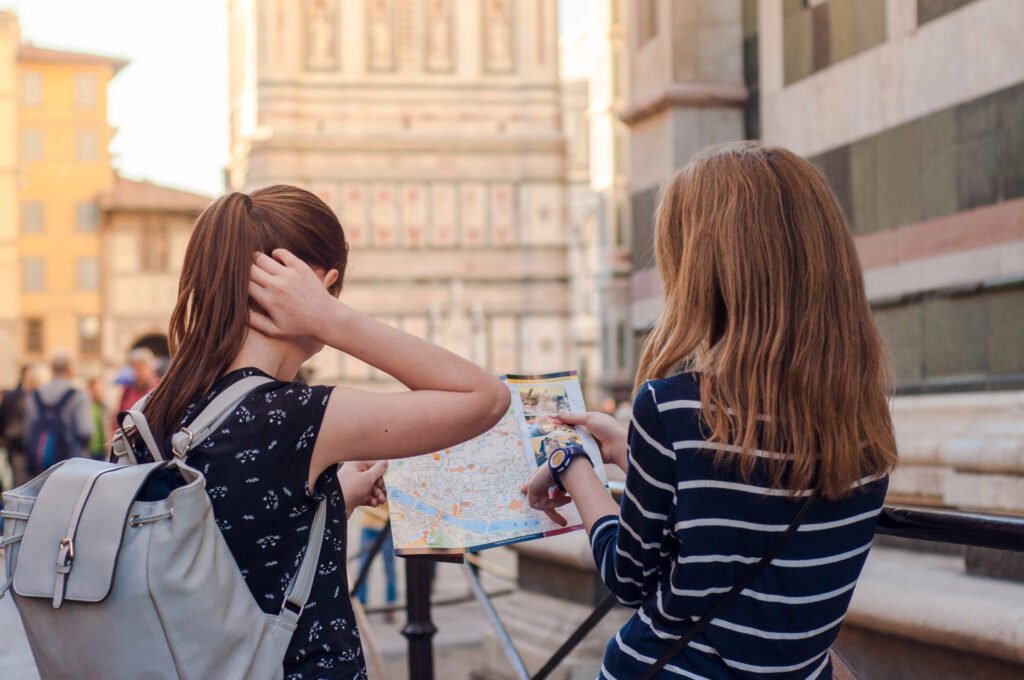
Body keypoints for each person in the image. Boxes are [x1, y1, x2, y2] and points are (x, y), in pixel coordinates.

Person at [524, 142, 897, 679]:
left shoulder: (672, 408)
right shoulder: (862, 421)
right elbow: (750, 509)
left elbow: (628, 577)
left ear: (704, 271)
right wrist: (633, 452)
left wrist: (571, 462)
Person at [131, 185, 509, 678]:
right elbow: (486, 397)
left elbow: (226, 538)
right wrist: (332, 319)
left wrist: (332, 499)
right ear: (319, 285)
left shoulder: (154, 410)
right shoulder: (296, 415)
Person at [24, 352, 93, 475]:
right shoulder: (78, 396)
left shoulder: (35, 395)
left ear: (52, 369)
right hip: (70, 466)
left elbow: (28, 433)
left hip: (40, 468)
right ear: (71, 369)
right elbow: (85, 432)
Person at [354, 504, 398, 622]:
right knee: (363, 568)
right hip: (369, 526)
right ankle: (361, 605)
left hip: (386, 527)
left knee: (389, 569)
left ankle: (390, 606)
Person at [0, 365, 39, 488]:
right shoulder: (32, 397)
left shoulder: (10, 396)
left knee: (18, 483)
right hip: (23, 446)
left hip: (13, 445)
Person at [115, 347, 160, 426]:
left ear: (151, 368)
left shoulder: (159, 390)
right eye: (136, 368)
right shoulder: (128, 390)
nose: (139, 372)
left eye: (142, 367)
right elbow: (118, 418)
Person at [87, 377, 110, 460]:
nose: (99, 393)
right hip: (89, 451)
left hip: (103, 451)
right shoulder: (86, 408)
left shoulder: (105, 408)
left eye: (101, 391)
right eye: (96, 391)